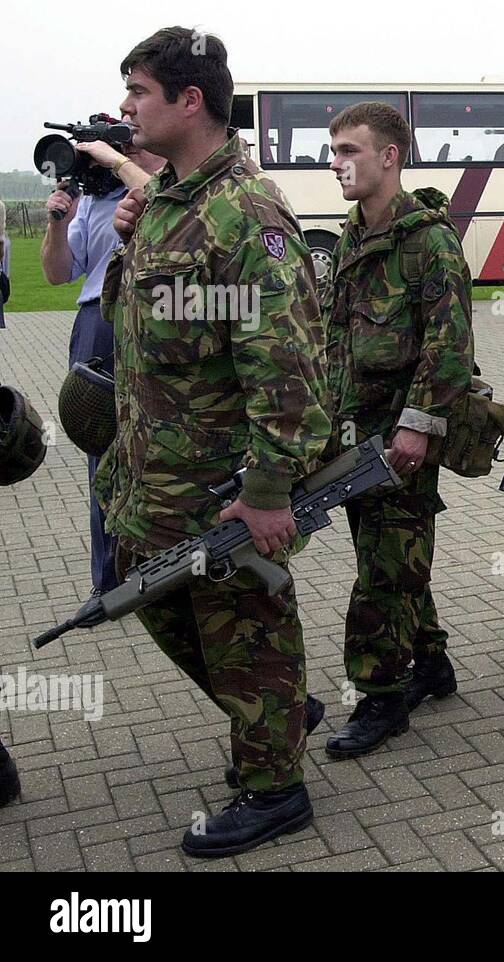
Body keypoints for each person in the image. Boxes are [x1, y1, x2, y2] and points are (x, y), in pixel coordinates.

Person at [106, 26, 331, 856]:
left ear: (188, 101)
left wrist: (269, 492)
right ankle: (277, 711)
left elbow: (288, 368)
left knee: (246, 626)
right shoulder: (169, 202)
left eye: (138, 92)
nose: (127, 107)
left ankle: (276, 785)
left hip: (219, 489)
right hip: (154, 483)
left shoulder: (245, 212)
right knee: (155, 602)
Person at [321, 101, 474, 757]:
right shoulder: (352, 235)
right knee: (390, 558)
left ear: (390, 156)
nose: (337, 164)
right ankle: (432, 662)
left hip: (402, 441)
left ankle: (380, 699)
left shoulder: (430, 241)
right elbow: (333, 337)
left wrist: (417, 427)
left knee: (383, 576)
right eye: (334, 152)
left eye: (350, 150)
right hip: (355, 434)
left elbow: (450, 344)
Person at [41, 128, 164, 594]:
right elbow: (56, 274)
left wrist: (115, 158)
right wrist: (57, 220)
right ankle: (109, 582)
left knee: (158, 450)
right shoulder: (94, 201)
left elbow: (159, 200)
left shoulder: (166, 182)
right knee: (102, 452)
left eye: (132, 139)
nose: (128, 148)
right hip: (99, 322)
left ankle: (160, 571)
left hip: (154, 316)